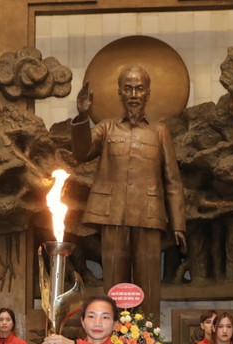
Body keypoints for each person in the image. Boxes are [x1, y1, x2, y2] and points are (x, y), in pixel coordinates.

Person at [71, 66, 187, 318]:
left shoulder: (159, 132)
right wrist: (82, 117)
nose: (134, 94)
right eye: (128, 88)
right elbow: (81, 153)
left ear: (148, 93)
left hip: (148, 216)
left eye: (139, 88)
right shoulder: (106, 128)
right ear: (119, 93)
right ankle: (112, 335)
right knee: (113, 282)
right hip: (113, 215)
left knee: (148, 283)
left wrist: (178, 224)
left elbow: (172, 181)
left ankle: (149, 339)